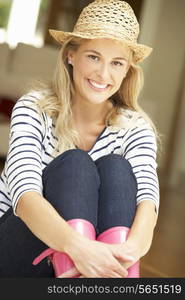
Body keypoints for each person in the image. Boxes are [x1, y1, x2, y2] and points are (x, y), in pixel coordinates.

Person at [0, 0, 159, 278]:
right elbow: (24, 195)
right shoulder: (33, 107)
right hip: (16, 249)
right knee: (75, 163)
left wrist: (127, 253)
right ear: (71, 56)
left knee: (116, 168)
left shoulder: (136, 128)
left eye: (117, 63)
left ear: (127, 70)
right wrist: (80, 249)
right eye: (93, 57)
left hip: (94, 264)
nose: (103, 74)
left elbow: (148, 201)